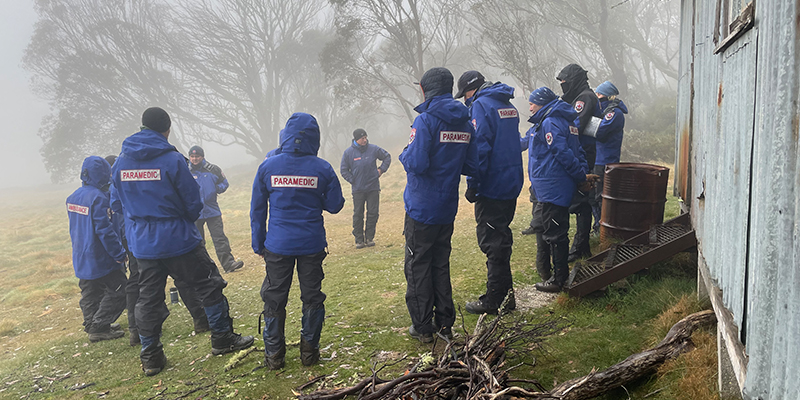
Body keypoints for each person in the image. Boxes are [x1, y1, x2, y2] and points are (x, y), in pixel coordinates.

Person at [112, 107, 253, 376]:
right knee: (209, 284)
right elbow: (192, 200)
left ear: (142, 127)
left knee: (148, 299)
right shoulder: (172, 159)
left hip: (142, 245)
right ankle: (222, 338)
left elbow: (117, 203)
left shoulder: (121, 162)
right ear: (166, 129)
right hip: (179, 239)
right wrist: (182, 220)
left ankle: (151, 356)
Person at [251, 112, 345, 370]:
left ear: (286, 135)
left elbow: (257, 209)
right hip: (311, 244)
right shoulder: (323, 168)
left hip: (277, 245)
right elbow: (336, 205)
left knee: (273, 298)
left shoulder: (268, 166)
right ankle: (309, 355)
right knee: (312, 297)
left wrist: (258, 243)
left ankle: (274, 357)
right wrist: (316, 198)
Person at [399, 67, 479, 342]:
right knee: (440, 263)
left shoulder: (426, 121)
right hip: (446, 206)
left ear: (425, 89)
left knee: (418, 264)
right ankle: (445, 323)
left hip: (422, 208)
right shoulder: (466, 123)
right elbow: (471, 164)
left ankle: (422, 327)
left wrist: (404, 154)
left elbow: (417, 163)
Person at [455, 70, 523, 315]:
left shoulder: (481, 106)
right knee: (502, 236)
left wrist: (473, 183)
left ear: (471, 89)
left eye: (464, 94)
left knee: (493, 241)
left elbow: (479, 147)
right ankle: (507, 296)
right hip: (511, 181)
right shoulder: (508, 105)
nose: (464, 99)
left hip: (492, 184)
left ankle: (494, 299)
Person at [522, 87, 592, 292]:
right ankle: (556, 274)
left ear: (542, 103)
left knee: (555, 233)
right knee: (557, 229)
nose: (530, 107)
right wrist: (582, 174)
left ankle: (558, 279)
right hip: (555, 185)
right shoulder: (567, 121)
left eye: (532, 103)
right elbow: (578, 151)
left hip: (552, 185)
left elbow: (562, 152)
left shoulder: (550, 121)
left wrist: (580, 177)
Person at [66, 156, 127, 342]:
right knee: (120, 289)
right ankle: (100, 325)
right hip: (99, 255)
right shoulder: (99, 199)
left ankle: (91, 323)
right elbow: (105, 230)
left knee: (90, 291)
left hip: (80, 254)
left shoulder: (74, 197)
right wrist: (119, 253)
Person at [556, 64, 601, 262]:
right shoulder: (581, 96)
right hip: (582, 151)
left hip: (583, 153)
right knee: (582, 200)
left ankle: (580, 245)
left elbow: (575, 124)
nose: (563, 86)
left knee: (582, 199)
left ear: (573, 80)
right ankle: (581, 245)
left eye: (565, 82)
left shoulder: (584, 98)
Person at [187, 145, 244, 273]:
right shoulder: (185, 171)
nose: (194, 159)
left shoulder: (213, 169)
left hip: (212, 210)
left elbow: (224, 182)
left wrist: (217, 189)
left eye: (197, 156)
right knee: (197, 242)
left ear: (202, 157)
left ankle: (229, 264)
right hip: (194, 212)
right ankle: (201, 268)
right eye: (192, 156)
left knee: (219, 238)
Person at [340, 129, 391, 248]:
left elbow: (387, 157)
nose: (365, 140)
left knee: (373, 213)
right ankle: (359, 239)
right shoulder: (348, 153)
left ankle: (369, 237)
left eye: (365, 137)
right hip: (358, 189)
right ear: (356, 139)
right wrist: (353, 180)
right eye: (362, 138)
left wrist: (381, 170)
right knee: (358, 214)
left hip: (373, 187)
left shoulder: (374, 149)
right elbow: (343, 170)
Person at [591, 81, 628, 232]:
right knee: (595, 195)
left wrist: (586, 123)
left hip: (606, 160)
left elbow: (601, 131)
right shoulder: (606, 112)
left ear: (607, 96)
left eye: (599, 95)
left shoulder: (614, 113)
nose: (597, 98)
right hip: (599, 158)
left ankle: (602, 228)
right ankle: (598, 226)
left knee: (601, 196)